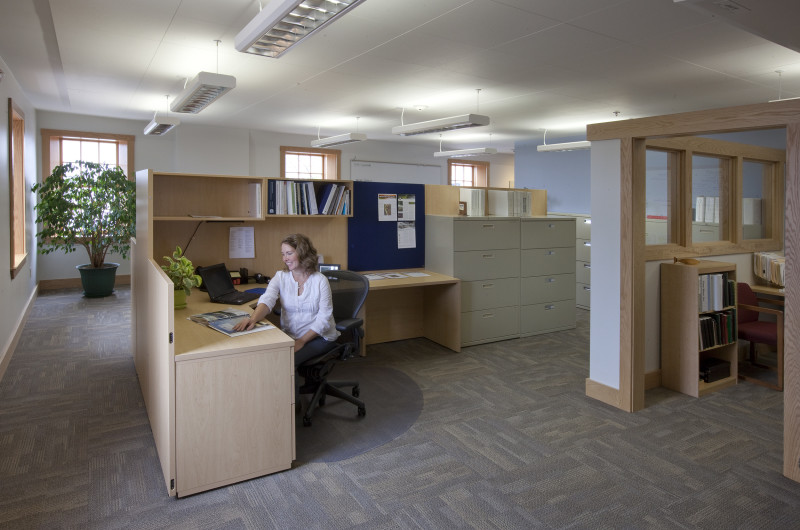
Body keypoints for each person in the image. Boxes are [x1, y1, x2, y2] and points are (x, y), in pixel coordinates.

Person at [233, 233, 339, 365]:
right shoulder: (281, 276)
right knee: (267, 358)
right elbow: (267, 299)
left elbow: (324, 320)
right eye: (283, 254)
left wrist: (301, 342)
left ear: (303, 253)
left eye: (289, 253)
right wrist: (252, 319)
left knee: (285, 362)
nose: (285, 258)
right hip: (290, 336)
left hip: (320, 338)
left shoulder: (320, 281)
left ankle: (294, 386)